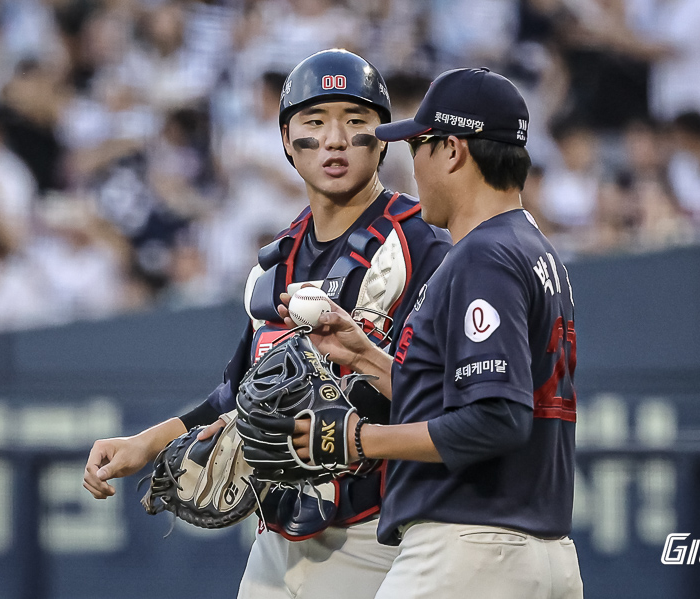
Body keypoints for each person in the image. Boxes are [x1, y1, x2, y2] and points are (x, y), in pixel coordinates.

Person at [82, 49, 451, 598]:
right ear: (285, 139)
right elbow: (235, 392)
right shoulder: (279, 259)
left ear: (384, 136)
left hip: (385, 531)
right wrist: (148, 442)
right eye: (314, 121)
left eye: (355, 121)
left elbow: (448, 401)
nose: (334, 139)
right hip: (281, 534)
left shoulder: (423, 244)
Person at [283, 67, 583, 598]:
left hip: (471, 548)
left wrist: (358, 440)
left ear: (453, 150)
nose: (412, 165)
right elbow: (469, 399)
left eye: (418, 145)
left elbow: (496, 419)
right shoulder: (534, 249)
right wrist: (371, 358)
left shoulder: (483, 255)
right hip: (542, 552)